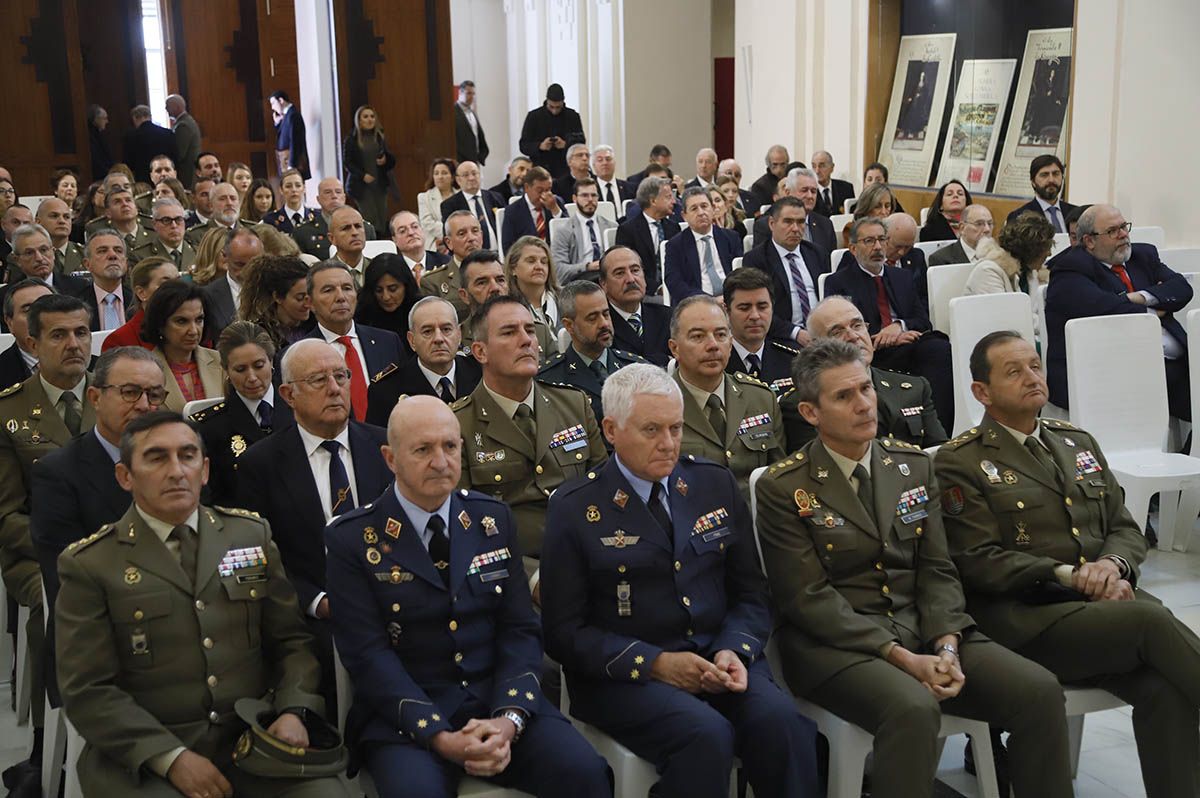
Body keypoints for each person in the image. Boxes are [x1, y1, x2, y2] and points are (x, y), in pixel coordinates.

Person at [756, 338, 1073, 798]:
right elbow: (807, 599)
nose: (864, 404)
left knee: (1039, 691)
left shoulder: (911, 465)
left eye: (865, 389)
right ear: (810, 413)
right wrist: (902, 657)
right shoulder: (784, 487)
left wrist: (945, 644)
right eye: (844, 397)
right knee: (913, 707)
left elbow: (938, 568)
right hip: (836, 648)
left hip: (926, 629)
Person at [936, 330, 1200, 798]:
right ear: (982, 392)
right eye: (1013, 372)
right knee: (1149, 619)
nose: (1031, 378)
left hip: (1103, 620)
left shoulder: (1075, 440)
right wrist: (1074, 577)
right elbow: (979, 561)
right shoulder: (962, 462)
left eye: (1034, 366)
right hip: (1026, 624)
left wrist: (1113, 566)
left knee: (1164, 688)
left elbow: (1123, 526)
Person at [542, 362, 820, 798]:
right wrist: (656, 664)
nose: (668, 443)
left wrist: (735, 648)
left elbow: (751, 592)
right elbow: (563, 633)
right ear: (611, 430)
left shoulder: (712, 483)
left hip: (716, 656)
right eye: (652, 430)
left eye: (675, 428)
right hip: (626, 677)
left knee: (782, 725)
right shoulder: (576, 506)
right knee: (704, 737)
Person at [325, 394, 611, 797]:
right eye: (423, 449)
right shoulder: (352, 539)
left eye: (451, 446)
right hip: (406, 719)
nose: (441, 462)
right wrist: (439, 735)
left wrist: (508, 719)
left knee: (586, 773)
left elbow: (519, 629)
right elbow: (367, 656)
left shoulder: (491, 519)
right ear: (390, 458)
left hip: (496, 699)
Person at [56, 409, 351, 797]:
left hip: (252, 744)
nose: (176, 471)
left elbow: (292, 641)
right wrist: (170, 757)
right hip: (149, 758)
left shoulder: (249, 535)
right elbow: (89, 690)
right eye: (157, 457)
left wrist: (294, 710)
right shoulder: (92, 564)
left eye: (188, 455)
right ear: (125, 476)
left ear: (206, 469)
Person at [237, 338, 391, 706]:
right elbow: (260, 555)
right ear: (289, 395)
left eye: (341, 376)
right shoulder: (262, 464)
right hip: (314, 613)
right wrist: (318, 602)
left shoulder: (385, 447)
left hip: (393, 597)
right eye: (319, 380)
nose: (336, 388)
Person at [32, 347, 165, 717]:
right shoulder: (59, 474)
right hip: (105, 638)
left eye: (155, 395)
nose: (144, 405)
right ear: (95, 397)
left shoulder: (180, 458)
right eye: (130, 392)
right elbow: (70, 586)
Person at [0, 293, 95, 782]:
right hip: (37, 555)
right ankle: (47, 745)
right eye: (58, 335)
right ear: (33, 343)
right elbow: (6, 515)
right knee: (52, 601)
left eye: (81, 332)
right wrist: (66, 549)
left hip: (120, 543)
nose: (74, 344)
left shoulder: (116, 395)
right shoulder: (9, 412)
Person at [453, 295, 606, 557]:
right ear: (481, 352)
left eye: (530, 330)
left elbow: (604, 489)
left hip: (588, 557)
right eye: (509, 332)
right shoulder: (457, 424)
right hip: (511, 574)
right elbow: (464, 523)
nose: (526, 340)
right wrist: (531, 577)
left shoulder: (574, 405)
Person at [1044, 204, 1192, 418]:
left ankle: (1190, 450)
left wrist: (1139, 298)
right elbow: (1107, 310)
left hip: (1170, 362)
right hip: (1111, 371)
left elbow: (1181, 288)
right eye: (1113, 231)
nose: (1123, 234)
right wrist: (1152, 309)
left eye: (1124, 227)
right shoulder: (1070, 268)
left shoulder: (1142, 256)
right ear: (1089, 241)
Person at [823, 217, 953, 431]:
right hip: (872, 350)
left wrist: (899, 326)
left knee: (940, 349)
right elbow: (843, 328)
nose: (877, 247)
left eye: (882, 240)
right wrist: (887, 335)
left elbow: (922, 321)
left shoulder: (901, 276)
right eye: (869, 241)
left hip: (907, 344)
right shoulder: (838, 281)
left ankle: (939, 426)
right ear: (853, 249)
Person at [779, 296, 946, 449]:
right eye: (837, 332)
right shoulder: (805, 403)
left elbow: (939, 455)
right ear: (814, 346)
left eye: (857, 325)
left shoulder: (914, 387)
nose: (853, 336)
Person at [669, 295, 785, 497]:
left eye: (721, 335)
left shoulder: (760, 399)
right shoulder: (661, 407)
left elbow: (780, 477)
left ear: (730, 344)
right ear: (674, 348)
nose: (713, 345)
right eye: (698, 336)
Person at [189, 321, 293, 504]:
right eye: (240, 369)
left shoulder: (299, 407)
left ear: (271, 362)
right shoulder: (209, 428)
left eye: (259, 365)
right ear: (226, 370)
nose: (252, 377)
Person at [305, 262, 406, 421]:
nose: (340, 297)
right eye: (328, 290)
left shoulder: (388, 342)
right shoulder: (299, 354)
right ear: (309, 302)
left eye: (347, 288)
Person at [537, 280, 643, 425]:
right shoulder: (549, 381)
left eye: (606, 314)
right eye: (592, 318)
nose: (604, 324)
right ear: (569, 325)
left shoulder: (636, 368)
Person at [366, 297, 482, 424]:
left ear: (459, 334)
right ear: (412, 340)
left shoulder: (482, 373)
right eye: (427, 331)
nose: (439, 338)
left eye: (446, 329)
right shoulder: (386, 391)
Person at [743, 197, 827, 348]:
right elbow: (758, 310)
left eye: (801, 222)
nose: (795, 228)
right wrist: (796, 333)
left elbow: (829, 296)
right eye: (788, 222)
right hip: (784, 337)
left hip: (823, 332)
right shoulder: (757, 259)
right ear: (772, 224)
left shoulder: (816, 253)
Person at [964, 211, 1055, 337]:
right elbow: (1006, 319)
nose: (1049, 254)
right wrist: (1051, 326)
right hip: (988, 344)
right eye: (1046, 248)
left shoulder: (1030, 272)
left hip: (1021, 339)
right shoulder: (988, 271)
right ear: (1031, 250)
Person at [143, 280, 222, 411]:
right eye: (181, 321)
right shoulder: (144, 371)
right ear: (160, 324)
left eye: (199, 320)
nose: (193, 330)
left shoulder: (221, 361)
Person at [721, 267, 799, 390]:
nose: (755, 316)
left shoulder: (793, 360)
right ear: (727, 311)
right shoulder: (716, 361)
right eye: (744, 308)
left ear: (772, 308)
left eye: (762, 307)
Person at [664, 187, 743, 301]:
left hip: (729, 300)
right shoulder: (675, 245)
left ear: (713, 208)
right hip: (696, 303)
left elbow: (740, 274)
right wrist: (708, 300)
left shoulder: (730, 237)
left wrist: (728, 297)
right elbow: (675, 284)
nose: (701, 213)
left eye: (704, 206)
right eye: (694, 209)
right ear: (684, 216)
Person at [601, 246, 671, 366]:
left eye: (635, 270)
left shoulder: (667, 316)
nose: (630, 279)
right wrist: (664, 359)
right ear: (604, 284)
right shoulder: (601, 325)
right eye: (620, 273)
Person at [614, 175, 681, 294]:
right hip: (644, 291)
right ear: (653, 201)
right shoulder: (627, 230)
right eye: (668, 197)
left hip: (674, 289)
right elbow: (629, 269)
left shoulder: (674, 228)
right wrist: (657, 289)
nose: (674, 201)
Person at [103, 256, 180, 352]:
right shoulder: (119, 341)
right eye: (165, 284)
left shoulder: (191, 329)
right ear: (141, 293)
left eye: (178, 282)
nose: (176, 289)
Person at [238, 253, 313, 349]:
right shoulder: (259, 336)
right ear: (277, 297)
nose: (308, 304)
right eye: (300, 298)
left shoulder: (319, 323)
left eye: (310, 295)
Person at [292, 177, 377, 260]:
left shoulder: (366, 229)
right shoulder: (303, 232)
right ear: (318, 199)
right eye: (328, 192)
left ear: (344, 197)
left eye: (338, 192)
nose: (334, 196)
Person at [4, 224, 87, 308]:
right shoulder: (5, 295)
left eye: (43, 250)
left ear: (53, 252)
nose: (39, 258)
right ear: (17, 260)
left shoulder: (81, 288)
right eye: (29, 253)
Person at [343, 104, 396, 233]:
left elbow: (391, 160)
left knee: (382, 218)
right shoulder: (352, 139)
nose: (369, 119)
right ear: (359, 120)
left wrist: (385, 160)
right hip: (361, 186)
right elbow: (348, 163)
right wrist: (362, 175)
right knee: (370, 219)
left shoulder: (379, 137)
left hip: (379, 184)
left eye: (372, 116)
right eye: (365, 117)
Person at [551, 178, 616, 282]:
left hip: (607, 279)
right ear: (574, 198)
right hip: (579, 282)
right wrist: (588, 266)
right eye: (584, 195)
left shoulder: (611, 226)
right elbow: (558, 270)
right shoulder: (563, 230)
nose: (590, 199)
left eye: (594, 195)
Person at [423, 211, 483, 321]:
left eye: (475, 231)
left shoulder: (501, 272)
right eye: (462, 233)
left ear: (482, 236)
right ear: (449, 242)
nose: (471, 238)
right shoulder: (433, 282)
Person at [518, 83, 585, 179]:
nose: (554, 111)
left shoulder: (573, 117)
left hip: (565, 169)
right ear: (547, 101)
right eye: (551, 107)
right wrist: (540, 146)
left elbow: (581, 143)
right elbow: (523, 145)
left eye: (558, 107)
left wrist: (566, 145)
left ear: (563, 102)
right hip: (540, 167)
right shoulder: (534, 116)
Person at [204, 226, 263, 334]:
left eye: (254, 264)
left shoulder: (275, 292)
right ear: (224, 256)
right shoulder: (207, 296)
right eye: (239, 265)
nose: (247, 271)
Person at [74, 229, 135, 331]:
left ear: (126, 262)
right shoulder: (76, 303)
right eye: (102, 251)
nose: (112, 255)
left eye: (118, 251)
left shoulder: (139, 301)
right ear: (87, 264)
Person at [355, 253, 422, 344]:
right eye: (378, 290)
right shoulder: (361, 314)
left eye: (392, 289)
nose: (386, 297)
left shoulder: (421, 311)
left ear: (406, 285)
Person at [453, 250, 510, 352]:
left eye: (500, 280)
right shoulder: (455, 340)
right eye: (482, 283)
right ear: (464, 295)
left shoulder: (536, 331)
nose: (495, 288)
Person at [505, 235, 562, 335]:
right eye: (531, 261)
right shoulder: (506, 308)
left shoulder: (565, 299)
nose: (539, 266)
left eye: (544, 262)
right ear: (512, 268)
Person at [0, 280, 52, 388]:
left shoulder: (91, 366)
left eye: (48, 308)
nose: (41, 317)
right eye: (29, 310)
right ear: (10, 322)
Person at [441, 161, 501, 251]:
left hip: (498, 253)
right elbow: (449, 235)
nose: (471, 178)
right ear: (458, 180)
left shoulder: (495, 197)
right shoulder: (450, 205)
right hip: (469, 256)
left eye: (474, 173)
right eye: (466, 175)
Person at [1006, 154, 1076, 231]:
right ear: (1033, 182)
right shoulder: (1019, 217)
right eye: (1044, 175)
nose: (1051, 180)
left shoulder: (1075, 213)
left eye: (1056, 174)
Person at [502, 166, 567, 246]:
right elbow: (508, 247)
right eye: (540, 191)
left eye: (548, 190)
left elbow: (569, 234)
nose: (544, 195)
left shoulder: (556, 202)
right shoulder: (512, 211)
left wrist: (555, 209)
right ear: (526, 188)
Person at [881, 212, 929, 312]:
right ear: (883, 238)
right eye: (898, 246)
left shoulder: (916, 257)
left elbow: (924, 297)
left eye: (908, 247)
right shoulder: (867, 258)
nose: (902, 252)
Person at [185, 181, 256, 248]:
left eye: (233, 198)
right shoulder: (196, 235)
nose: (229, 203)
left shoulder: (253, 230)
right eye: (222, 199)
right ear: (211, 205)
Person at [389, 209, 448, 286]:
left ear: (422, 230)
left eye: (415, 227)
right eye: (403, 231)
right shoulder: (391, 270)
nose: (411, 233)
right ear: (394, 240)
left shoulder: (445, 263)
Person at [122, 104, 178, 184]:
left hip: (142, 179)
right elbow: (175, 157)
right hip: (166, 176)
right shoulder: (167, 133)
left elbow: (128, 163)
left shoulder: (130, 137)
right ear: (150, 116)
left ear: (134, 118)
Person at [32, 197, 84, 277]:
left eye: (66, 217)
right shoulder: (27, 255)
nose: (62, 221)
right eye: (54, 216)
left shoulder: (85, 254)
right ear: (38, 222)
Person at [928, 204, 993, 267]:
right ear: (962, 228)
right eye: (979, 224)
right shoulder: (942, 260)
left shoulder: (996, 256)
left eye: (990, 224)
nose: (987, 229)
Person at [418, 158, 459, 251]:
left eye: (444, 173)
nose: (440, 177)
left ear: (452, 177)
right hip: (435, 243)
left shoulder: (460, 195)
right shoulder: (424, 197)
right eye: (436, 173)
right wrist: (452, 233)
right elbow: (427, 223)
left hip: (460, 241)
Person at [262, 168, 319, 234]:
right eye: (288, 186)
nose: (294, 190)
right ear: (281, 190)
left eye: (298, 185)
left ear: (304, 188)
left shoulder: (317, 217)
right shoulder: (271, 220)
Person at [101, 186, 156, 255]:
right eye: (117, 202)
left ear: (136, 208)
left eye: (128, 200)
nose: (125, 204)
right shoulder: (105, 241)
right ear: (108, 213)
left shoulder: (155, 234)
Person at [839, 182, 896, 248]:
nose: (884, 212)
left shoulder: (895, 229)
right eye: (877, 206)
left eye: (887, 206)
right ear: (866, 208)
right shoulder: (851, 229)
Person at [270, 89, 311, 179]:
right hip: (285, 159)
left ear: (281, 100)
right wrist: (277, 123)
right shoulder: (287, 115)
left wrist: (292, 164)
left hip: (291, 161)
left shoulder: (293, 115)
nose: (272, 108)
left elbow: (295, 141)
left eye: (273, 103)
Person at [327, 205, 372, 287]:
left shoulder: (377, 269)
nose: (355, 232)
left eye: (358, 226)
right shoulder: (323, 275)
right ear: (332, 238)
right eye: (346, 228)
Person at [165, 94, 201, 188]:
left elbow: (180, 153)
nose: (166, 109)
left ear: (177, 107)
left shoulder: (183, 125)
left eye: (168, 106)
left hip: (186, 173)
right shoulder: (186, 121)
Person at [454, 79, 490, 166]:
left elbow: (477, 135)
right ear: (460, 93)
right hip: (460, 160)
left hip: (474, 159)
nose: (472, 97)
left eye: (473, 94)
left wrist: (481, 155)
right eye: (469, 93)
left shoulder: (472, 112)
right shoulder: (453, 112)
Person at [811, 150, 855, 215]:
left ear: (832, 167)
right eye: (814, 166)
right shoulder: (809, 191)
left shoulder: (846, 188)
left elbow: (852, 215)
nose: (817, 171)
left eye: (822, 166)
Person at [749, 144, 791, 209]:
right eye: (775, 164)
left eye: (783, 164)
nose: (779, 169)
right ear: (768, 164)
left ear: (787, 163)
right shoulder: (759, 186)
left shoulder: (792, 180)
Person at [87, 104, 114, 179]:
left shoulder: (99, 135)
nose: (107, 121)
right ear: (96, 119)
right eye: (104, 118)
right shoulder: (91, 136)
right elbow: (96, 160)